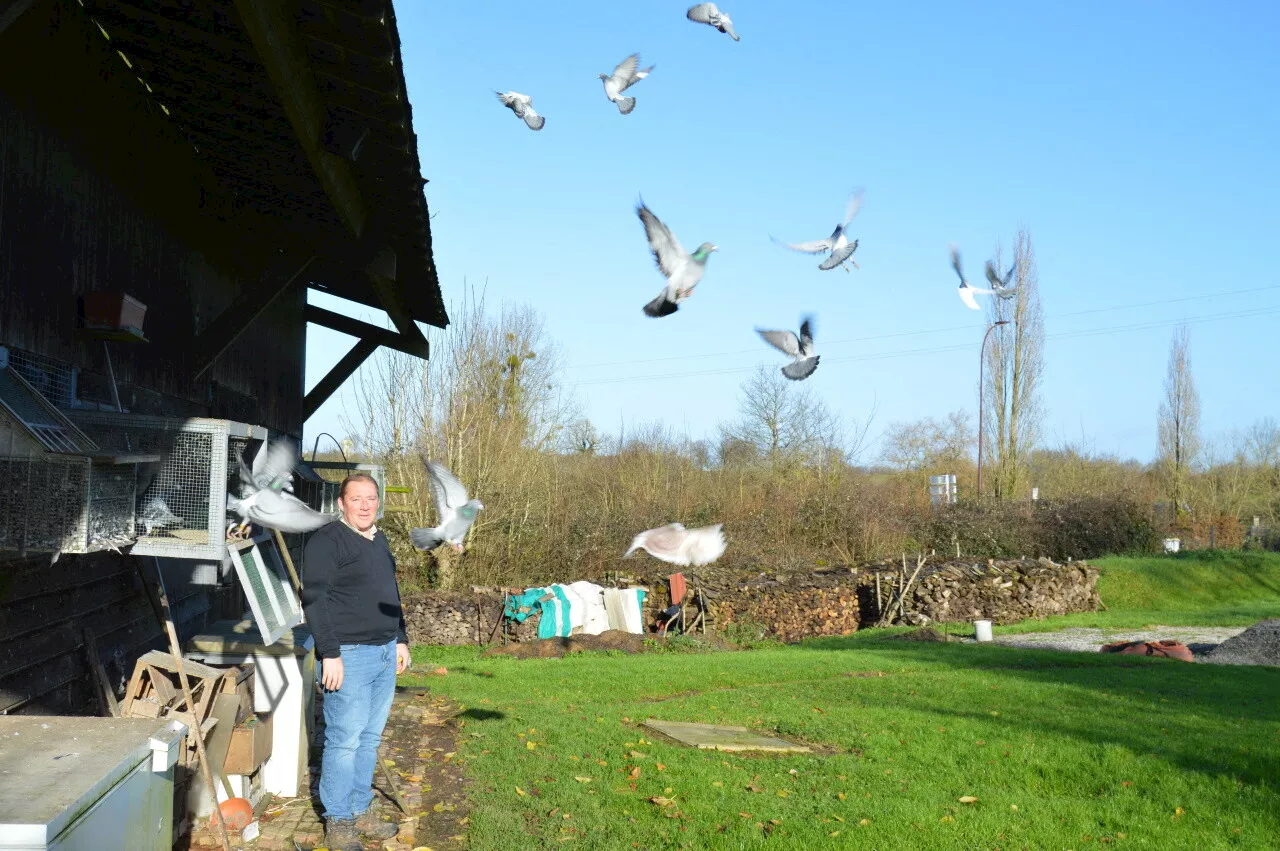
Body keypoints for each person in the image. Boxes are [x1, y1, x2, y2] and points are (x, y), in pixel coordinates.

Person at [300, 473, 409, 850]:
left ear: (379, 502)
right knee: (344, 741)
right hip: (348, 654)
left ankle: (360, 807)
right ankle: (339, 821)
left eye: (371, 499)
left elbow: (390, 593)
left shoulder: (379, 540)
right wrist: (329, 653)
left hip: (382, 653)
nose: (365, 506)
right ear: (342, 503)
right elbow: (314, 600)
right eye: (357, 499)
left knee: (369, 738)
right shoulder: (327, 541)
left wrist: (400, 638)